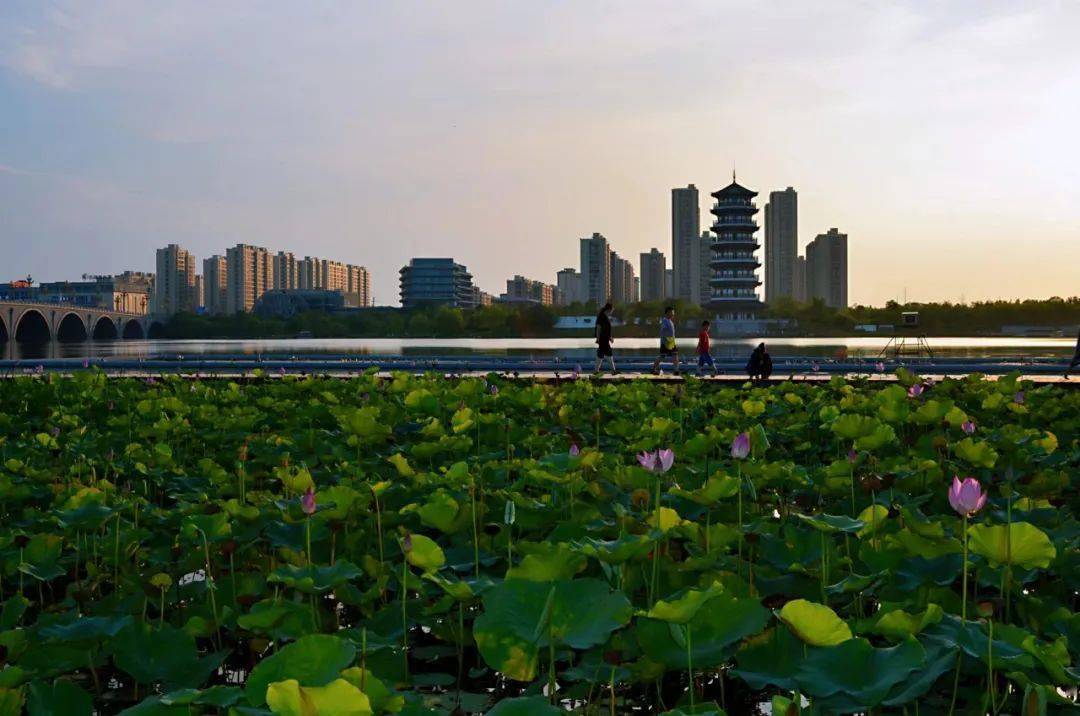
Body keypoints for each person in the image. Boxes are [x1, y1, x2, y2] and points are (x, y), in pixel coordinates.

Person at [652, 306, 680, 375]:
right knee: (662, 356)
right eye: (672, 313)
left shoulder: (670, 321)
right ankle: (653, 369)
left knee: (675, 355)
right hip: (666, 342)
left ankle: (676, 370)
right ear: (667, 313)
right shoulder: (665, 321)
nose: (673, 314)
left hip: (671, 342)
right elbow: (662, 331)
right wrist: (665, 341)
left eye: (673, 313)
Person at [593, 302, 616, 374]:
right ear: (609, 309)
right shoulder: (602, 316)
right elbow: (598, 328)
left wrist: (610, 337)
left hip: (605, 338)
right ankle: (613, 370)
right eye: (612, 309)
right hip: (603, 339)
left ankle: (596, 371)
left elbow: (606, 329)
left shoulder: (605, 316)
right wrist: (598, 338)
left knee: (600, 354)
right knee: (608, 353)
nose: (612, 311)